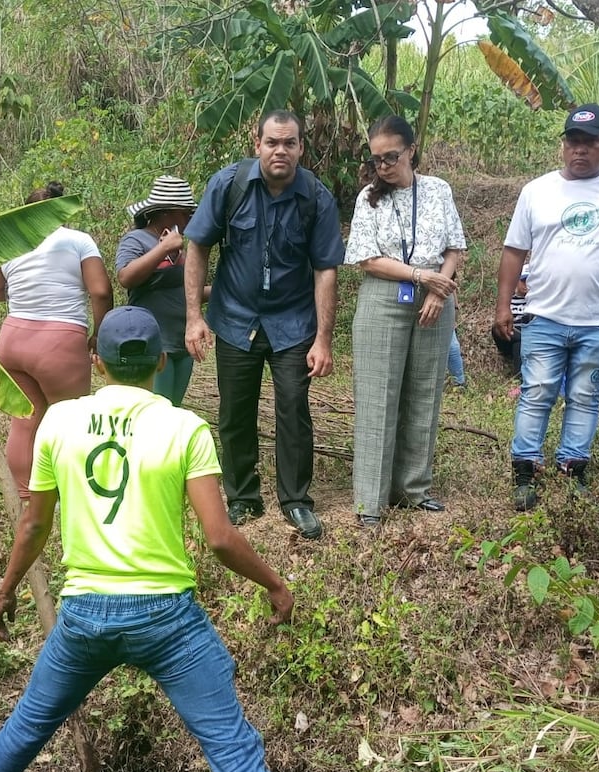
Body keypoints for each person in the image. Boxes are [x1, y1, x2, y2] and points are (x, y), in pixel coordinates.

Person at [0, 307, 309, 772]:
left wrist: (6, 589)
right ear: (161, 362)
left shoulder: (59, 422)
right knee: (232, 750)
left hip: (85, 615)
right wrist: (275, 585)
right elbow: (221, 537)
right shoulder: (185, 428)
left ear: (97, 362)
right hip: (168, 622)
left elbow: (35, 523)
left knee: (31, 722)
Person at [184, 109, 346, 540]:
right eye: (272, 142)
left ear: (301, 149)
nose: (280, 150)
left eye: (289, 143)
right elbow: (197, 246)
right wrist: (194, 317)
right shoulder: (228, 186)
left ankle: (296, 501)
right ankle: (242, 497)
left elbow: (325, 269)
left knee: (294, 408)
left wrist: (324, 341)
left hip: (293, 324)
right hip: (236, 318)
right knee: (235, 410)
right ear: (256, 144)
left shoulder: (316, 197)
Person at [495, 104, 599, 511]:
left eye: (590, 142)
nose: (579, 151)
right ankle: (525, 470)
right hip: (544, 315)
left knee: (585, 396)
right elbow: (514, 251)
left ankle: (573, 468)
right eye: (573, 142)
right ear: (563, 145)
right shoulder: (537, 191)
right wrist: (503, 306)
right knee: (537, 392)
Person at [345, 115, 466, 527]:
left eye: (391, 157)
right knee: (378, 397)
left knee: (425, 391)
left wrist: (438, 287)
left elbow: (454, 247)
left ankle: (414, 489)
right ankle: (370, 502)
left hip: (436, 296)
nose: (383, 166)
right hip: (385, 295)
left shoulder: (438, 190)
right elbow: (366, 258)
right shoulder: (369, 198)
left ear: (411, 151)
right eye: (376, 159)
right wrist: (419, 276)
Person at [0, 182, 113, 498]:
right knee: (71, 420)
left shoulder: (13, 242)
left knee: (25, 420)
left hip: (13, 339)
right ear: (61, 210)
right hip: (59, 343)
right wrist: (99, 332)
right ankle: (72, 491)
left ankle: (24, 495)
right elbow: (101, 291)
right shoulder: (79, 240)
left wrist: (20, 292)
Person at [116, 175, 202, 406]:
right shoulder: (137, 240)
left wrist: (226, 289)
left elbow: (187, 292)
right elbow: (125, 277)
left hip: (181, 343)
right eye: (185, 213)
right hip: (154, 343)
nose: (189, 218)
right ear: (165, 213)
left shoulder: (181, 247)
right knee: (155, 412)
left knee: (172, 410)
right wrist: (163, 248)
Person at [493, 263, 532, 383]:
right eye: (523, 281)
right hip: (508, 336)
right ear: (517, 281)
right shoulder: (508, 300)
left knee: (519, 342)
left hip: (527, 340)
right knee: (496, 328)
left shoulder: (536, 301)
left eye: (529, 281)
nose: (526, 285)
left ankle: (519, 378)